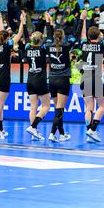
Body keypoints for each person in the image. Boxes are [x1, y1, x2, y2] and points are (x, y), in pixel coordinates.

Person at [0, 11, 25, 139]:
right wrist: (22, 22)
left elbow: (0, 32)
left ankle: (0, 129)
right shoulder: (6, 46)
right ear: (6, 39)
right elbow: (19, 34)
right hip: (3, 77)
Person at [44, 12, 75, 142]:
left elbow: (49, 36)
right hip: (62, 80)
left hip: (51, 80)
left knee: (58, 108)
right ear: (63, 37)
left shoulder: (49, 45)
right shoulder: (67, 46)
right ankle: (52, 133)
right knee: (59, 109)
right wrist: (81, 20)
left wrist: (48, 22)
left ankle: (61, 134)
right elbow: (77, 37)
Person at [79, 10, 104, 143]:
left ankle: (88, 132)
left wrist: (83, 20)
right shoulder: (101, 45)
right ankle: (93, 129)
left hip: (84, 78)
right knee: (103, 105)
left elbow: (82, 34)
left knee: (89, 107)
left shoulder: (84, 45)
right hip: (95, 78)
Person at [24, 31, 50, 140]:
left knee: (33, 106)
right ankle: (33, 126)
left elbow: (26, 40)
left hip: (30, 80)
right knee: (46, 106)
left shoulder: (27, 49)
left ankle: (34, 132)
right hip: (40, 80)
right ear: (40, 40)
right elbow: (49, 40)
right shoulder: (43, 50)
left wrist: (24, 25)